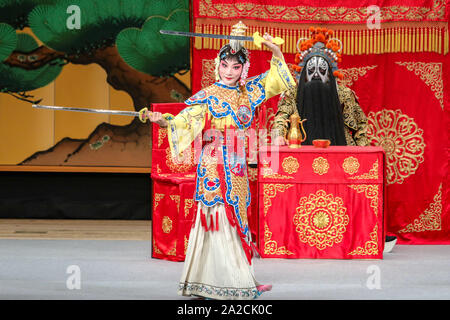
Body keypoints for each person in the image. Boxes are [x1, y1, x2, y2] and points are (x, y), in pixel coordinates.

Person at [144, 22, 295, 299]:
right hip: (214, 162)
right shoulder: (208, 96)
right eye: (225, 65)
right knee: (217, 218)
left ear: (243, 69)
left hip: (237, 163)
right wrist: (162, 121)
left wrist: (274, 50)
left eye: (235, 67)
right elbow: (184, 120)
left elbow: (280, 80)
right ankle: (225, 282)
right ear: (218, 66)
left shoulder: (250, 90)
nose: (229, 72)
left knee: (239, 219)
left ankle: (243, 277)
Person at [271, 26, 397, 252]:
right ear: (303, 72)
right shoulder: (292, 92)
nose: (317, 74)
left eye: (322, 69)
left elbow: (359, 127)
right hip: (302, 148)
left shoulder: (345, 94)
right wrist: (279, 135)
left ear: (330, 72)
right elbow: (280, 117)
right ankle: (290, 234)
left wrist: (364, 155)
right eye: (312, 69)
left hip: (341, 148)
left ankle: (365, 231)